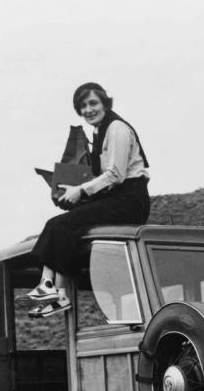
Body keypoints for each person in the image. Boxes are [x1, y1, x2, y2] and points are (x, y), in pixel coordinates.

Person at [27, 82, 151, 317]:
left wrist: (81, 191)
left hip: (129, 201)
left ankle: (52, 290)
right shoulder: (99, 131)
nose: (88, 109)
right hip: (116, 197)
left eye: (93, 103)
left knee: (62, 225)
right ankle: (52, 290)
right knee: (61, 224)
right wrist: (71, 190)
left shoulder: (117, 129)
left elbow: (116, 174)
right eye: (83, 106)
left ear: (105, 103)